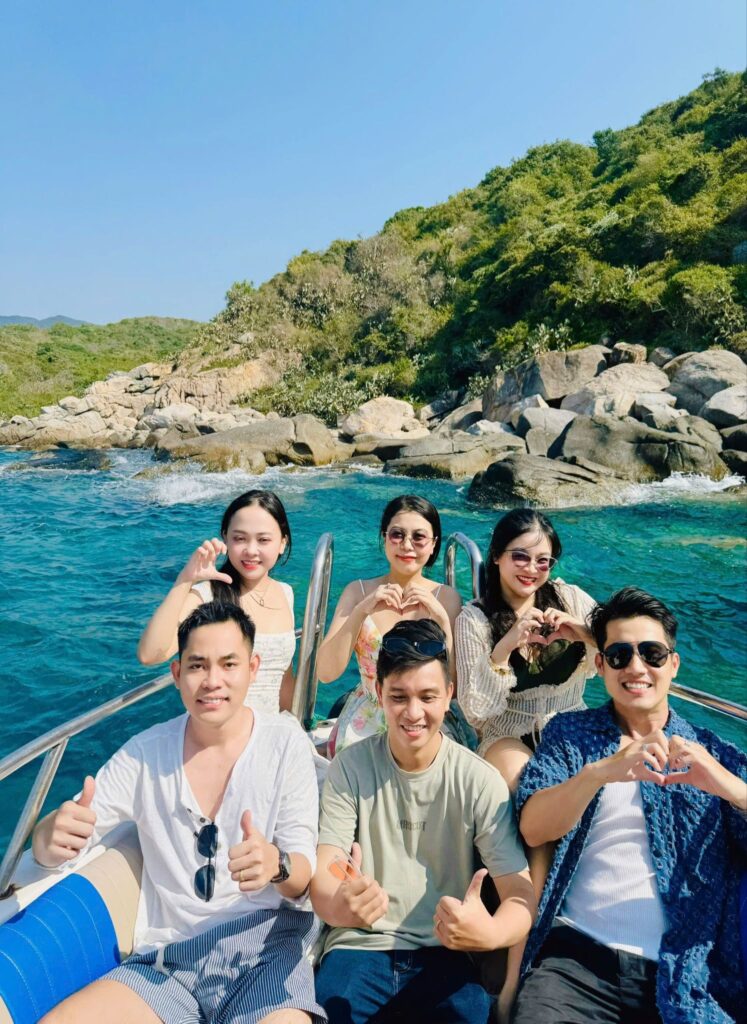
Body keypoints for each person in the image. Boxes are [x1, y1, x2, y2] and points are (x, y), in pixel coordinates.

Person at [34, 601, 325, 1024]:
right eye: (197, 666)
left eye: (228, 664)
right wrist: (48, 836)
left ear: (253, 668)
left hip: (265, 946)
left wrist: (275, 864)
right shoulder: (144, 754)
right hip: (167, 960)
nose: (212, 681)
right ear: (176, 674)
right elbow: (64, 836)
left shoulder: (285, 744)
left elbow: (303, 874)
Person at [513, 586, 747, 1024]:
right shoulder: (572, 735)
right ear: (601, 665)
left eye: (652, 654)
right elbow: (533, 827)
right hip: (576, 965)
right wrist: (600, 773)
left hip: (681, 975)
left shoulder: (714, 753)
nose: (636, 667)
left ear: (673, 664)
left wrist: (730, 788)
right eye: (620, 655)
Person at [311, 618, 536, 1024]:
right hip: (358, 947)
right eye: (399, 696)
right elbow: (326, 871)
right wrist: (341, 906)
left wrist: (489, 933)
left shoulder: (479, 780)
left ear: (449, 695)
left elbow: (519, 893)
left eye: (427, 696)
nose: (413, 712)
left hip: (445, 952)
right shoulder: (350, 767)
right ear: (379, 693)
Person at [316, 494, 466, 755]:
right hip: (369, 716)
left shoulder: (447, 598)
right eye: (397, 534)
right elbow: (326, 673)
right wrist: (361, 611)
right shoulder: (358, 592)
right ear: (384, 538)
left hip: (427, 718)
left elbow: (452, 689)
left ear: (433, 544)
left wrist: (441, 619)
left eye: (418, 537)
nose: (407, 545)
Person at [138, 489, 296, 714]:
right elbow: (150, 654)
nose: (251, 550)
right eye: (239, 538)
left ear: (282, 543)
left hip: (271, 729)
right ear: (225, 538)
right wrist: (185, 580)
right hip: (219, 729)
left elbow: (285, 678)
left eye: (263, 540)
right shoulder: (207, 596)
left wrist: (293, 725)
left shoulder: (285, 593)